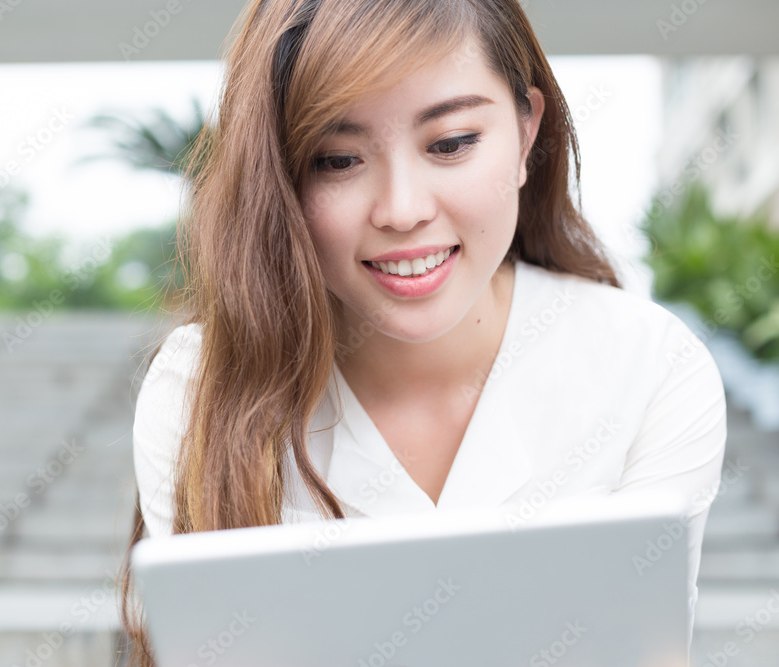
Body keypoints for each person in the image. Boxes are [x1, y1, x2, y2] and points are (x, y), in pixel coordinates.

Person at [119, 0, 727, 664]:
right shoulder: (196, 390)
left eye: (451, 143)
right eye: (337, 159)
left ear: (526, 134)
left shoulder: (649, 369)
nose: (403, 209)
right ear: (281, 178)